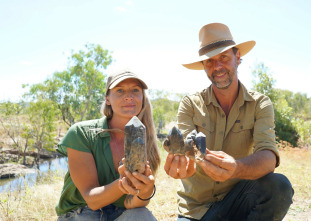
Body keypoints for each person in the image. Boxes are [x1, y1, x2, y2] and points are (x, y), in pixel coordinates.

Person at [164, 23, 294, 220]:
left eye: (224, 57)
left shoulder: (260, 103)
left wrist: (236, 168)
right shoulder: (190, 104)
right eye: (209, 61)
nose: (217, 66)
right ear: (203, 66)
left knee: (279, 186)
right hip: (195, 210)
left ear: (238, 57)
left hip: (239, 201)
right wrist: (179, 165)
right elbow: (184, 149)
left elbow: (268, 157)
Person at [55, 69, 160, 220]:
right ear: (108, 99)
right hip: (81, 213)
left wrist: (146, 191)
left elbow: (132, 204)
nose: (129, 96)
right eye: (120, 90)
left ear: (142, 97)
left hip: (121, 213)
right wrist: (124, 183)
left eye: (135, 90)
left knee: (141, 215)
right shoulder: (81, 133)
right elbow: (92, 200)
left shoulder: (144, 137)